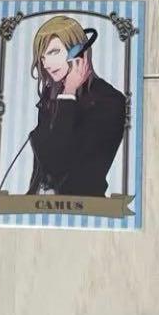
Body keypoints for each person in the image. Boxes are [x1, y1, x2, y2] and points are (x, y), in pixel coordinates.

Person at [24, 16, 126, 198]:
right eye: (43, 57)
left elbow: (59, 164)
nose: (46, 64)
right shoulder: (51, 96)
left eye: (54, 52)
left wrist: (69, 94)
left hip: (82, 204)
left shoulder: (109, 101)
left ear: (78, 52)